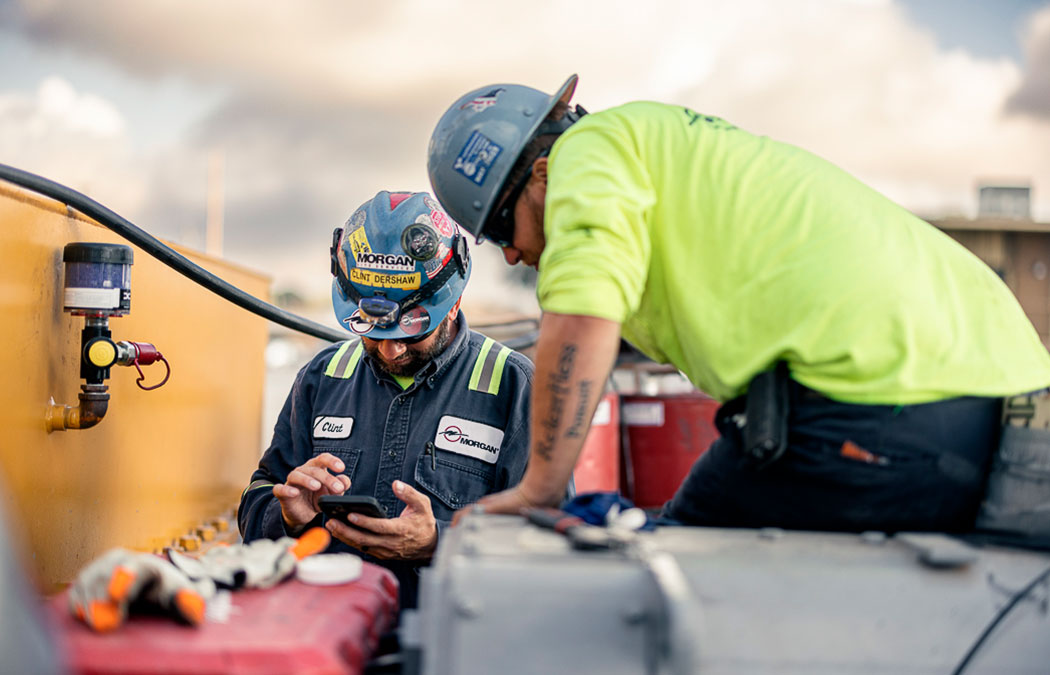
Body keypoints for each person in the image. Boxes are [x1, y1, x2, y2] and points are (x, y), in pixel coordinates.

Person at [426, 74, 1050, 533]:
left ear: (537, 175)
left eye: (502, 230)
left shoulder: (587, 153)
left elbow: (580, 320)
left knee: (664, 569)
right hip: (998, 392)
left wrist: (538, 490)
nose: (509, 256)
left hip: (875, 402)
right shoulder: (658, 148)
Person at [238, 191, 534, 607]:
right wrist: (287, 517)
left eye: (412, 332)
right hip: (328, 637)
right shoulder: (322, 379)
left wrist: (439, 544)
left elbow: (548, 543)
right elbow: (256, 502)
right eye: (372, 332)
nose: (391, 350)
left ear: (454, 304)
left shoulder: (512, 386)